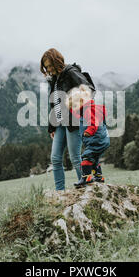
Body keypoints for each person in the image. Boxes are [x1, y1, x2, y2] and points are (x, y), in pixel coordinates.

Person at [40, 48, 95, 191]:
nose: (49, 69)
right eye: (47, 67)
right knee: (56, 158)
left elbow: (88, 89)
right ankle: (60, 193)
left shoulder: (71, 72)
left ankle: (86, 189)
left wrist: (76, 106)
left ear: (57, 60)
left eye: (51, 65)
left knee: (75, 157)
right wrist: (52, 127)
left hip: (73, 121)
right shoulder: (54, 79)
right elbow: (55, 104)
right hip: (59, 124)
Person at [66, 84, 110, 188]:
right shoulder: (83, 110)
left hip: (96, 139)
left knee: (86, 156)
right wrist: (70, 106)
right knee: (93, 158)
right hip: (99, 140)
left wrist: (89, 131)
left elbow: (94, 122)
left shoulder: (89, 110)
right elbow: (75, 112)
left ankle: (86, 177)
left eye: (75, 106)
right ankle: (98, 176)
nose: (74, 110)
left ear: (81, 102)